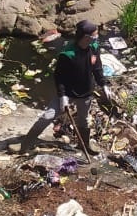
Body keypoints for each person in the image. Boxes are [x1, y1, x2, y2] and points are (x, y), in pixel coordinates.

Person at [19, 20, 111, 153]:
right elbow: (59, 77)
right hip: (67, 92)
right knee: (48, 116)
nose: (97, 38)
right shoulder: (68, 54)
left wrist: (103, 84)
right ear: (86, 37)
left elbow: (97, 68)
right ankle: (26, 144)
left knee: (83, 120)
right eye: (94, 35)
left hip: (86, 92)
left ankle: (84, 146)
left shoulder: (94, 47)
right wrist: (63, 96)